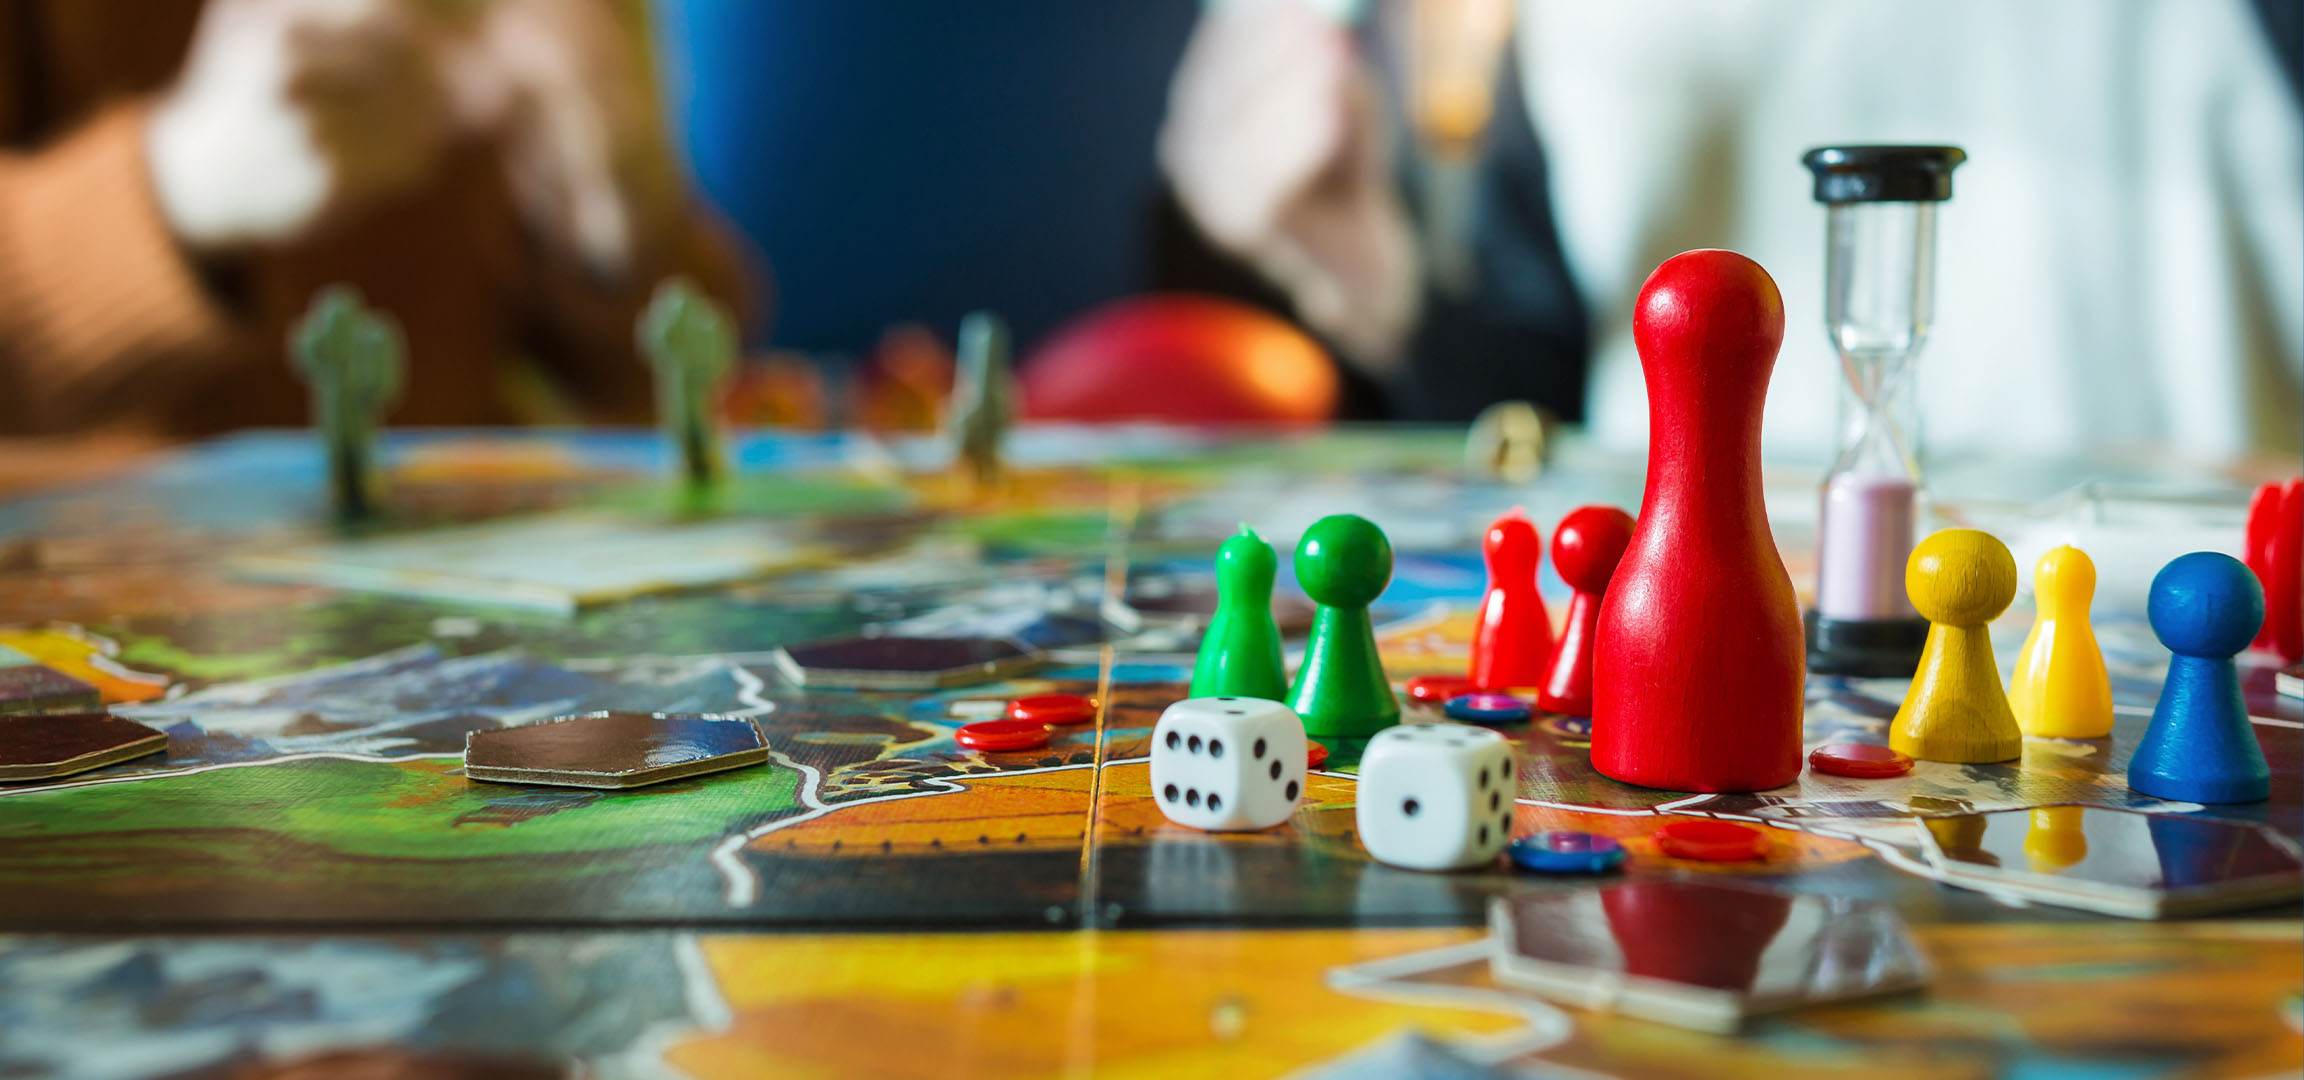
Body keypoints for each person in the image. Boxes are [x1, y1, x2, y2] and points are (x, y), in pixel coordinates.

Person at [1158, 0, 2304, 460]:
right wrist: (1384, 292)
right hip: (1728, 699)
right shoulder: (1555, 29)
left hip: (2199, 685)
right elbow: (1549, 398)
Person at [0, 0, 747, 439]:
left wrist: (620, 230)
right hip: (105, 592)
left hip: (469, 570)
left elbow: (662, 378)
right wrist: (174, 186)